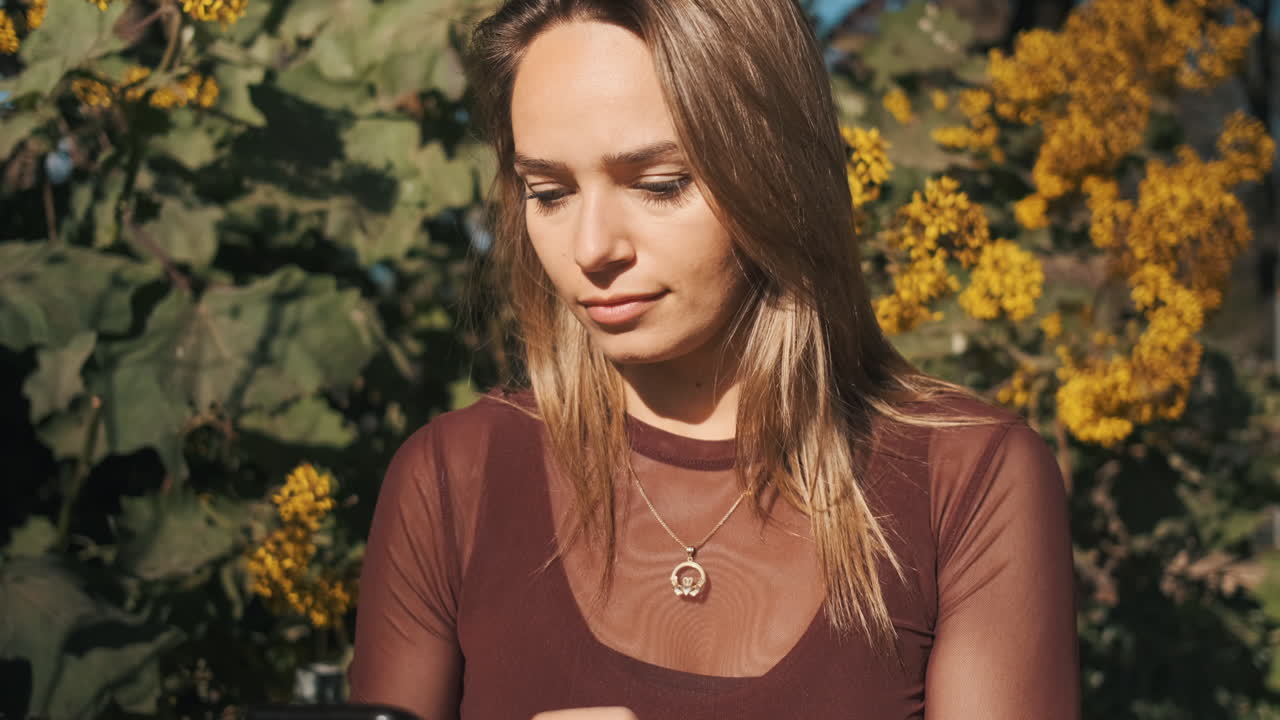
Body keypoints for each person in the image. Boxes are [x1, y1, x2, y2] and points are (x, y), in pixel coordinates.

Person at [347, 0, 1081, 718]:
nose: (592, 248)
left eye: (659, 185)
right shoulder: (455, 481)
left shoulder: (963, 480)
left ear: (777, 173)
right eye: (550, 193)